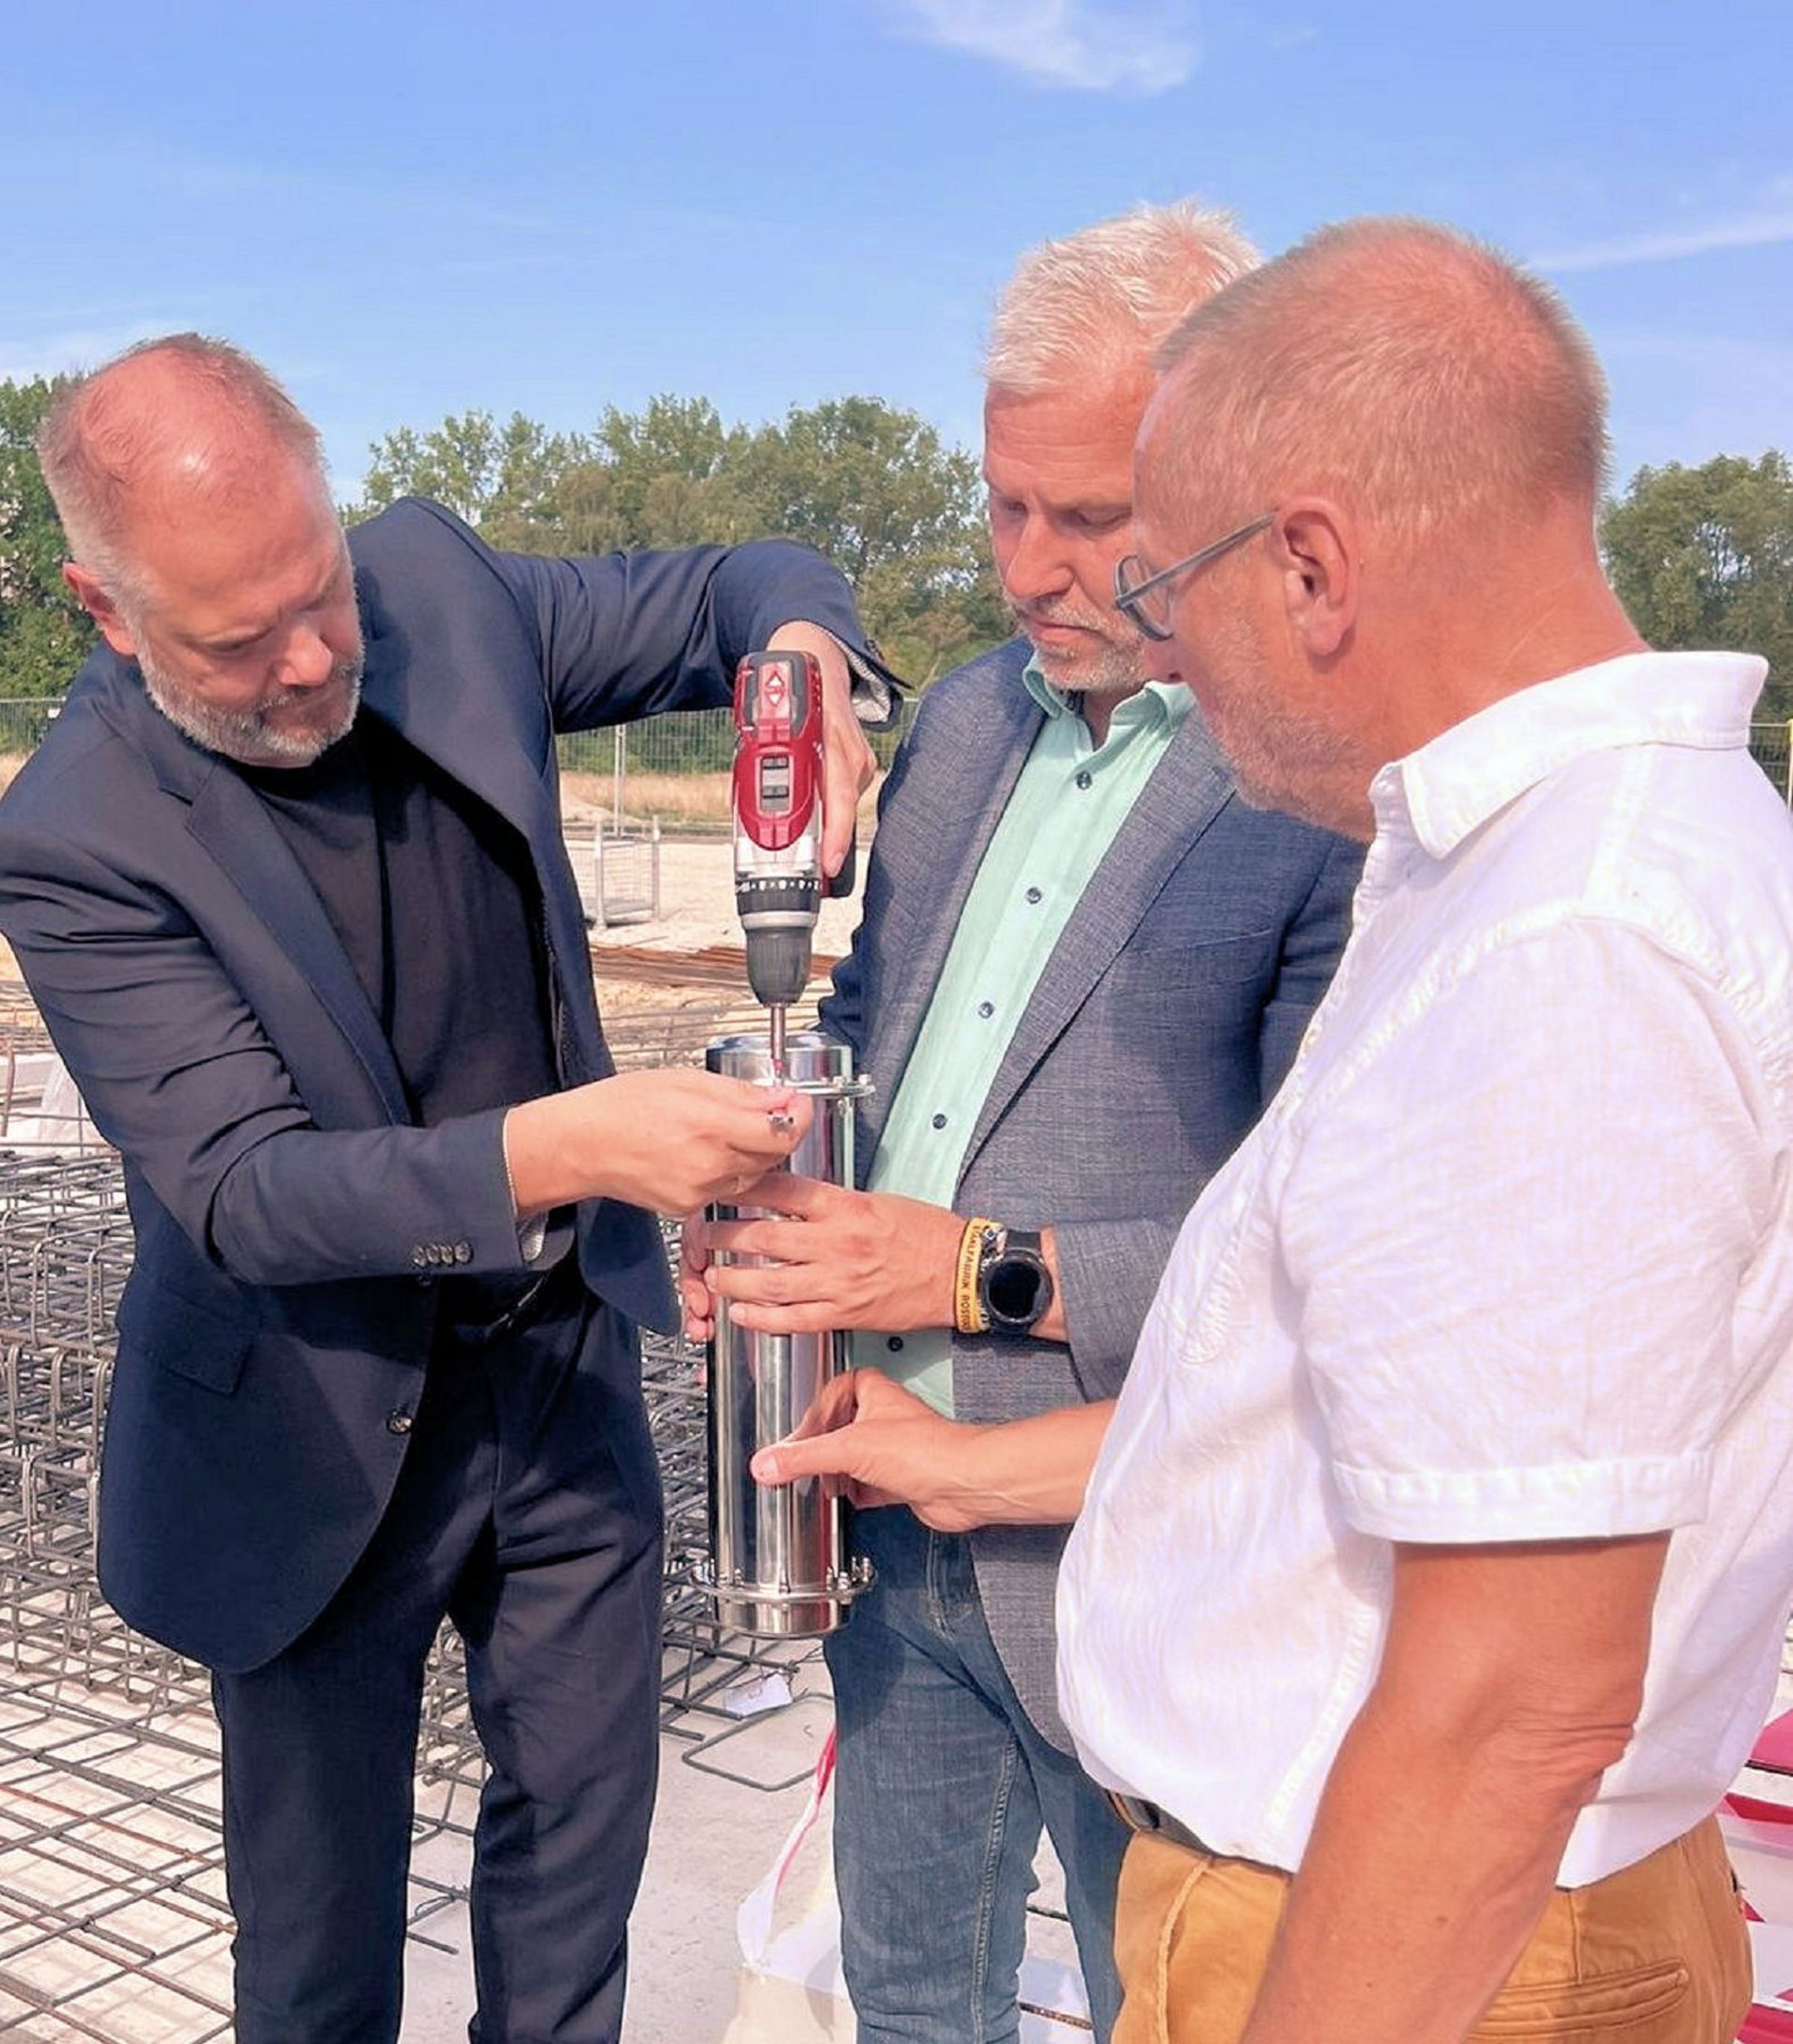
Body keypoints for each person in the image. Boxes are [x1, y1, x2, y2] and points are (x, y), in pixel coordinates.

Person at [755, 218, 1793, 2044]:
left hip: (1410, 1928)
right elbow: (1320, 1393)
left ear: (1308, 566)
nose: (1147, 630)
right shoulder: (1529, 872)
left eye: (1162, 569)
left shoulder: (1577, 939)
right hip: (1358, 1884)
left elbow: (1506, 1706)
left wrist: (974, 1294)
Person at [0, 333, 897, 2044]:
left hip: (557, 1374)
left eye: (317, 591)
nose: (312, 659)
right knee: (317, 1954)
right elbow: (251, 1192)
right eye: (238, 640)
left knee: (574, 1880)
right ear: (105, 611)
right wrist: (587, 1144)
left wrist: (800, 650)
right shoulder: (76, 832)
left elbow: (742, 577)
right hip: (306, 1426)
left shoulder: (439, 595)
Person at [683, 202, 1361, 2043]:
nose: (1028, 570)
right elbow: (877, 1029)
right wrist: (771, 1187)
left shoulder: (1316, 777)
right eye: (1005, 506)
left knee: (1179, 2005)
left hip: (1127, 1542)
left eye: (1090, 518)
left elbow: (1312, 1257)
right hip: (881, 1514)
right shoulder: (977, 719)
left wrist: (967, 1270)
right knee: (913, 2001)